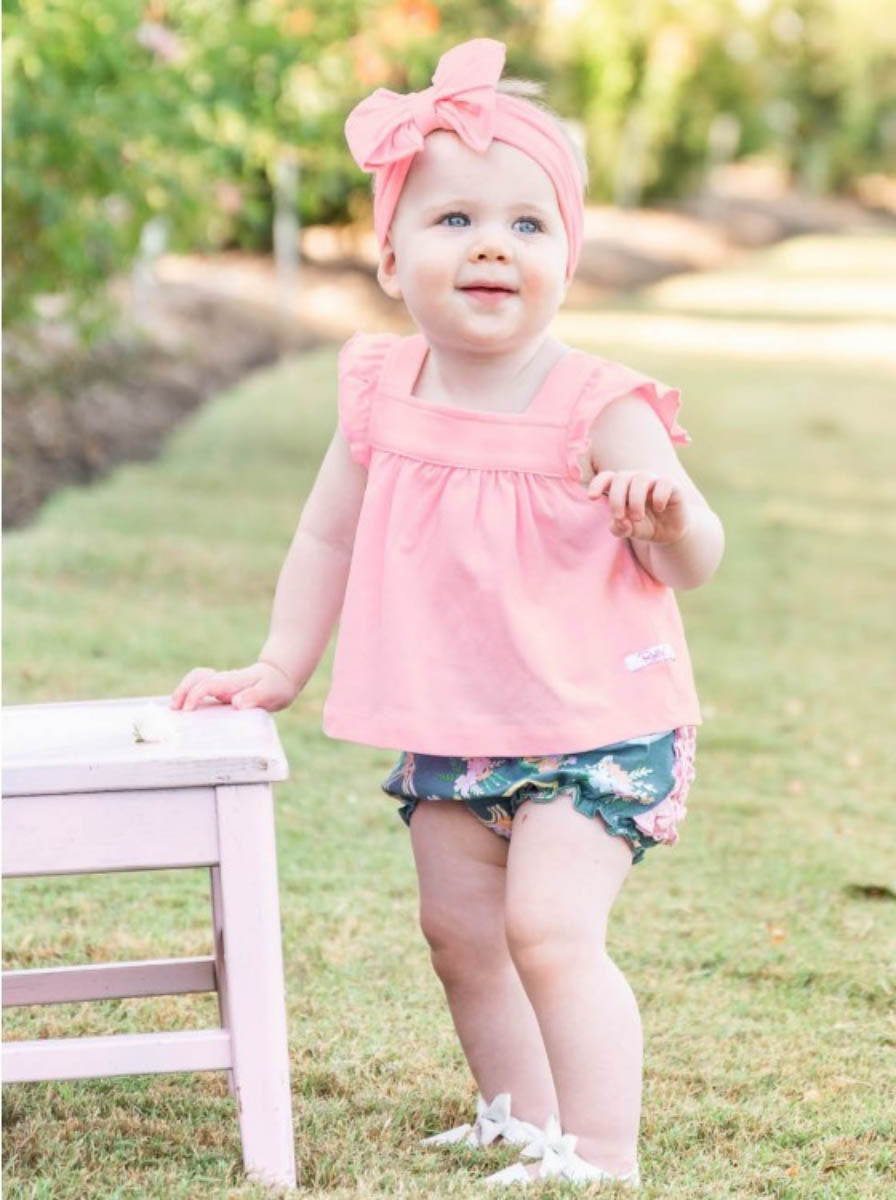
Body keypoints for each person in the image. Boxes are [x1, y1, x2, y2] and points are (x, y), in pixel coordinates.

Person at [171, 38, 724, 1189]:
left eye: (528, 224)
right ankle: (518, 1118)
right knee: (461, 936)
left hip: (596, 724)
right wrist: (279, 665)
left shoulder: (599, 405)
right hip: (457, 723)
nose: (491, 244)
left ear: (568, 253)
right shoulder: (381, 392)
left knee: (549, 930)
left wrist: (667, 518)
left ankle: (602, 1151)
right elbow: (326, 537)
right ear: (390, 256)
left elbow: (695, 563)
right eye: (455, 219)